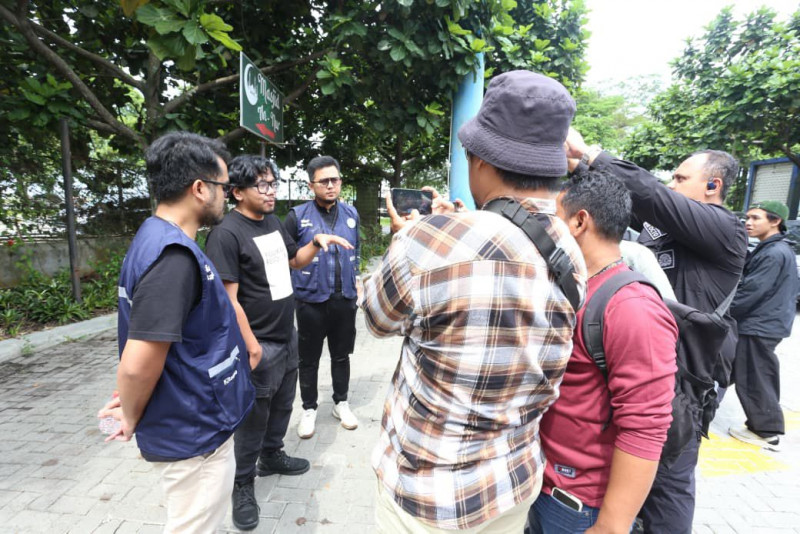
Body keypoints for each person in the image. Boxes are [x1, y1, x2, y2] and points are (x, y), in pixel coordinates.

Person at [362, 70, 588, 533]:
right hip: (511, 485)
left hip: (426, 497)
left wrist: (407, 240)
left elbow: (376, 319)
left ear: (480, 160)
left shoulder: (427, 242)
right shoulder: (570, 248)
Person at [565, 132, 748, 533]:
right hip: (642, 363)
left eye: (681, 179)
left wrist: (591, 153)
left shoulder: (725, 229)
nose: (672, 185)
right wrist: (578, 168)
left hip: (685, 377)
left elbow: (653, 197)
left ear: (713, 185)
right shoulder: (664, 229)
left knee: (669, 481)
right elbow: (619, 204)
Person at [98, 131, 255, 532]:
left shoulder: (154, 236)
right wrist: (130, 414)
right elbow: (138, 365)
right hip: (193, 432)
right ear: (200, 188)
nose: (227, 196)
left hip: (188, 415)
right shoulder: (174, 258)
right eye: (224, 187)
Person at [204, 155, 352, 531]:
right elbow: (228, 301)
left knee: (283, 405)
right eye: (262, 185)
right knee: (253, 418)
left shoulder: (271, 222)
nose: (271, 192)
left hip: (287, 334)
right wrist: (251, 346)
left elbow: (295, 261)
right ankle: (242, 484)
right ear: (237, 192)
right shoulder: (226, 234)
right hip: (259, 343)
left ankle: (272, 455)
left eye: (273, 184)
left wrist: (316, 242)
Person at [527, 169, 678, 533]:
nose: (545, 231)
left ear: (579, 222)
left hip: (580, 510)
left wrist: (612, 524)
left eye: (552, 220)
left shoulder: (631, 307)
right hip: (546, 490)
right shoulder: (575, 287)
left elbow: (645, 427)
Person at [284, 155, 361, 439]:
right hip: (310, 300)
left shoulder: (351, 213)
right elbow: (288, 258)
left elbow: (357, 251)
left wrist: (357, 283)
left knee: (341, 355)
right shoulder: (296, 216)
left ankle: (341, 403)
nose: (330, 186)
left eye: (335, 180)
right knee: (308, 359)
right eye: (324, 181)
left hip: (344, 299)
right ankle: (309, 408)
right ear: (311, 185)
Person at [728, 201, 798, 451]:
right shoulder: (773, 248)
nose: (748, 223)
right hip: (764, 323)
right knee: (741, 370)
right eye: (747, 217)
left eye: (756, 218)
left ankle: (766, 431)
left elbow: (751, 292)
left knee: (754, 378)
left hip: (759, 325)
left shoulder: (773, 253)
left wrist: (722, 313)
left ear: (775, 221)